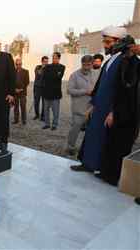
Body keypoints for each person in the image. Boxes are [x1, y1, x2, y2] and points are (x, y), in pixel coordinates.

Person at [70, 26, 129, 175]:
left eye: (108, 42)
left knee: (105, 140)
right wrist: (93, 105)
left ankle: (102, 169)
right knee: (92, 135)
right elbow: (101, 86)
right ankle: (88, 164)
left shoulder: (124, 61)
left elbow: (123, 92)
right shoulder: (109, 61)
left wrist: (114, 112)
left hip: (109, 110)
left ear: (119, 42)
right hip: (99, 108)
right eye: (105, 41)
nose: (105, 45)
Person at [99, 37, 140, 185]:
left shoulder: (135, 64)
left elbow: (128, 91)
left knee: (122, 146)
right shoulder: (123, 62)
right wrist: (112, 111)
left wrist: (115, 112)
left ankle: (115, 176)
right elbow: (118, 90)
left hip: (130, 113)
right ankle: (106, 173)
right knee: (111, 142)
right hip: (119, 110)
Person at [66, 55, 96, 156]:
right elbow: (69, 90)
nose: (86, 67)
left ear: (92, 64)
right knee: (75, 128)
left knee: (91, 131)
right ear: (81, 64)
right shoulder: (74, 75)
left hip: (92, 108)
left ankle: (87, 149)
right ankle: (70, 146)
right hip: (78, 108)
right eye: (84, 65)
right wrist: (85, 91)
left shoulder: (96, 74)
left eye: (88, 65)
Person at [42, 52, 65, 130]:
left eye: (55, 57)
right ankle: (47, 124)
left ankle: (54, 125)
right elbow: (44, 77)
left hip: (56, 93)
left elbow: (58, 78)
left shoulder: (62, 67)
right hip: (46, 92)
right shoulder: (47, 66)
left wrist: (51, 75)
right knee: (46, 110)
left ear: (59, 58)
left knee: (55, 111)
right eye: (53, 57)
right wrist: (54, 75)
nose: (54, 59)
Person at [12, 58, 30, 125]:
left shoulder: (26, 71)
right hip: (15, 93)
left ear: (21, 64)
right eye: (17, 64)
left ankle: (24, 120)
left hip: (22, 92)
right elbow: (11, 82)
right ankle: (16, 120)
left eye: (19, 64)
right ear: (15, 64)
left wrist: (21, 89)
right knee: (16, 107)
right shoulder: (13, 71)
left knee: (23, 107)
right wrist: (14, 89)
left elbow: (27, 82)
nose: (18, 65)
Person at [33, 56, 48, 121]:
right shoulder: (38, 67)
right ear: (42, 61)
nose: (46, 63)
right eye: (45, 61)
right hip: (37, 87)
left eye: (47, 62)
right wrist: (43, 68)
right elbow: (38, 73)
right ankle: (37, 115)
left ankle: (43, 116)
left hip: (44, 88)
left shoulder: (48, 68)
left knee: (44, 103)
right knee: (36, 102)